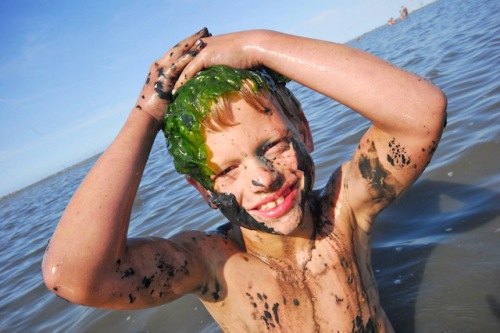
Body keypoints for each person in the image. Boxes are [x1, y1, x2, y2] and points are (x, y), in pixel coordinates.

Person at [42, 28, 447, 332]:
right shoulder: (215, 265)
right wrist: (147, 113)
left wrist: (256, 45)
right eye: (227, 170)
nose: (263, 178)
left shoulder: (344, 212)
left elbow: (421, 114)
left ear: (303, 130)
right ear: (203, 189)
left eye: (273, 145)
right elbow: (73, 276)